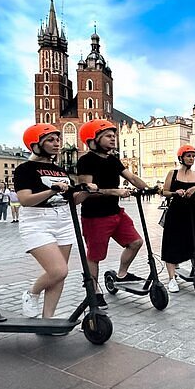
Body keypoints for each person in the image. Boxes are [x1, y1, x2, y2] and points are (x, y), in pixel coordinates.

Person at [14, 123, 96, 318]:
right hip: (37, 222)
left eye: (57, 139)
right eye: (50, 140)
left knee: (59, 276)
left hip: (63, 221)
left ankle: (48, 318)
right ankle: (32, 293)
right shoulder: (25, 169)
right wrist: (52, 190)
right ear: (35, 144)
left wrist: (85, 192)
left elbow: (71, 200)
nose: (57, 143)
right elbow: (25, 200)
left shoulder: (59, 170)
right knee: (59, 271)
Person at [76, 119, 150, 307]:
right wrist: (114, 191)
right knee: (95, 256)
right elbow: (87, 192)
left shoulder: (113, 160)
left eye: (114, 135)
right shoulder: (86, 161)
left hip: (115, 212)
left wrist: (149, 188)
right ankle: (94, 290)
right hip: (95, 216)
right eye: (108, 136)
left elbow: (131, 177)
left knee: (135, 242)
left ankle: (122, 275)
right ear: (94, 139)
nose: (113, 139)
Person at [161, 145, 195, 293]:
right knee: (172, 242)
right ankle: (171, 279)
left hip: (191, 212)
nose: (191, 158)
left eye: (193, 156)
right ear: (181, 157)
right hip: (175, 211)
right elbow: (164, 192)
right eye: (188, 156)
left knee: (194, 241)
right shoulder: (173, 173)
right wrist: (175, 192)